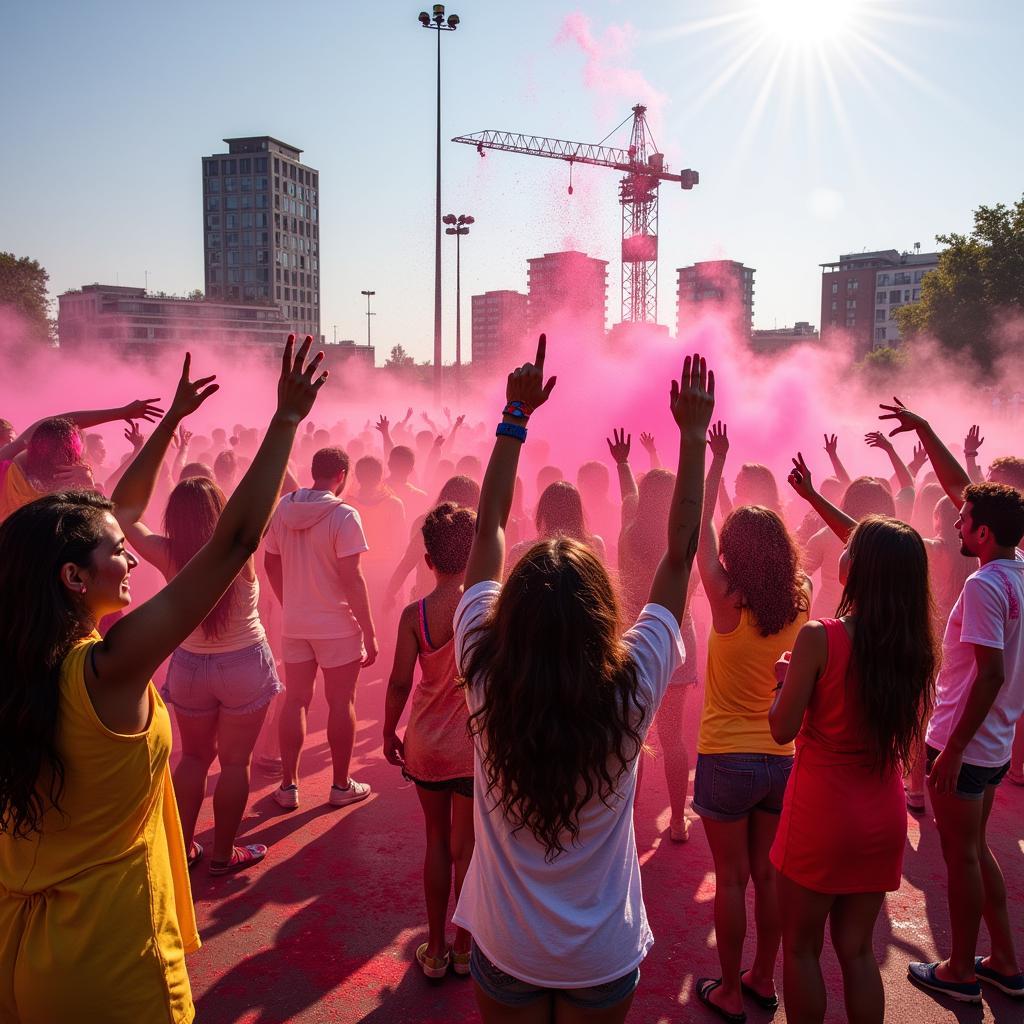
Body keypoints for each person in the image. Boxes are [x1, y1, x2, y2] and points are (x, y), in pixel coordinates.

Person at [0, 337, 327, 1023]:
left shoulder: (20, 662)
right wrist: (286, 422)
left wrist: (171, 424)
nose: (130, 555)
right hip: (113, 961)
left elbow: (114, 515)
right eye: (117, 553)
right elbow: (233, 543)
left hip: (23, 957)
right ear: (72, 579)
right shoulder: (107, 674)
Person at [452, 338, 714, 1023]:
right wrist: (692, 441)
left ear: (512, 610)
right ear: (602, 613)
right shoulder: (630, 687)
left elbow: (486, 533)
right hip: (602, 953)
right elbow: (678, 554)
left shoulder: (482, 667)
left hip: (507, 946)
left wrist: (515, 416)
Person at [772, 455, 936, 1023]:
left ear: (858, 569)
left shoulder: (821, 636)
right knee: (859, 952)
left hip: (821, 810)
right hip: (879, 813)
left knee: (800, 948)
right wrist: (815, 496)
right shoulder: (912, 644)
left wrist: (783, 684)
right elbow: (882, 549)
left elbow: (781, 728)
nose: (839, 547)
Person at [876, 400, 1024, 1004]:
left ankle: (962, 970)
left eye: (964, 518)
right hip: (993, 745)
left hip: (968, 746)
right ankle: (1006, 961)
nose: (956, 517)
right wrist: (927, 432)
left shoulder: (985, 584)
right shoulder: (1015, 568)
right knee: (975, 850)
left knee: (960, 858)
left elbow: (987, 675)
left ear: (982, 534)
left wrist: (952, 751)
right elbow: (969, 490)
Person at [111, 419, 284, 876]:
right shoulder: (240, 550)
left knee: (192, 757)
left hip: (189, 667)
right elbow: (269, 500)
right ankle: (226, 853)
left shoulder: (167, 553)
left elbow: (123, 515)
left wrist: (158, 439)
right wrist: (283, 427)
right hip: (244, 662)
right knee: (235, 762)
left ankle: (185, 848)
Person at [693, 421, 811, 1022]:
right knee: (768, 877)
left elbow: (700, 532)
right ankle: (763, 979)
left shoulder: (724, 595)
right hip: (780, 757)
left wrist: (715, 465)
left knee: (731, 878)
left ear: (735, 554)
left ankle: (731, 991)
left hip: (724, 755)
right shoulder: (804, 595)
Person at [383, 502, 478, 979]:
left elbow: (400, 682)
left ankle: (436, 948)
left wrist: (387, 730)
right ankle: (464, 947)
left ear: (429, 560)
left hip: (426, 743)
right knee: (469, 847)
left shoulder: (414, 614)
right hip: (473, 746)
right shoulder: (485, 611)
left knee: (436, 841)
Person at [264, 446, 377, 811]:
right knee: (341, 702)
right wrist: (370, 631)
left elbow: (270, 562)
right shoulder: (344, 515)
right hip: (336, 625)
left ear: (315, 471)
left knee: (294, 700)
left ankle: (288, 786)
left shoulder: (283, 508)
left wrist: (289, 602)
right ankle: (341, 785)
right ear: (342, 475)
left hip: (296, 623)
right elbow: (353, 577)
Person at [609, 430, 698, 842]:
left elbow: (631, 495)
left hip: (635, 640)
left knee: (633, 734)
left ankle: (627, 818)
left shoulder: (630, 530)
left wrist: (625, 462)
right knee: (673, 735)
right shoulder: (681, 543)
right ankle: (678, 820)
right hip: (677, 642)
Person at [385, 475, 481, 608]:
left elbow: (406, 564)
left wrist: (390, 593)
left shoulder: (427, 522)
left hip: (428, 604)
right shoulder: (479, 528)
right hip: (463, 606)